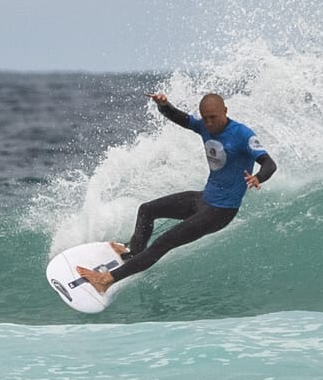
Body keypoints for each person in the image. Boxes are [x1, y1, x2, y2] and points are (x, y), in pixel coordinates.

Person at [77, 92, 277, 293]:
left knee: (163, 242)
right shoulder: (204, 126)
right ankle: (134, 252)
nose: (208, 123)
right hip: (204, 199)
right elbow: (180, 118)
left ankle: (107, 280)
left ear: (225, 111)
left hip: (221, 211)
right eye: (205, 117)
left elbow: (269, 163)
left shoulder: (242, 135)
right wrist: (164, 105)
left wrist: (258, 177)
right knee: (147, 209)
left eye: (213, 117)